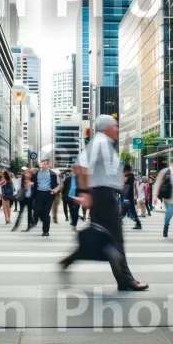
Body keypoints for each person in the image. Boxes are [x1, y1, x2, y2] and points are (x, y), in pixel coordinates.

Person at [63, 115, 149, 291]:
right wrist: (85, 192)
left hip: (104, 194)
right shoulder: (100, 142)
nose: (117, 130)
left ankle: (70, 260)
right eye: (115, 126)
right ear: (106, 127)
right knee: (116, 238)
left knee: (101, 236)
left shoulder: (105, 144)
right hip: (102, 195)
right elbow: (81, 166)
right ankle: (126, 280)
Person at [32, 159, 60, 236]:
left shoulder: (53, 174)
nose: (43, 165)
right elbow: (33, 182)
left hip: (49, 194)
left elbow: (59, 184)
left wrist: (55, 190)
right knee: (37, 210)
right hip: (39, 194)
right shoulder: (37, 173)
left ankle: (46, 231)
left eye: (45, 164)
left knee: (46, 213)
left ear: (48, 165)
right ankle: (37, 219)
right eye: (42, 163)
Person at [122, 165, 142, 230]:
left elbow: (127, 187)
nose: (123, 172)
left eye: (124, 170)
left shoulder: (130, 177)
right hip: (127, 197)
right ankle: (138, 224)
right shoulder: (130, 176)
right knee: (124, 211)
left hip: (128, 197)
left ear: (127, 170)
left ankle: (138, 224)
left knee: (129, 211)